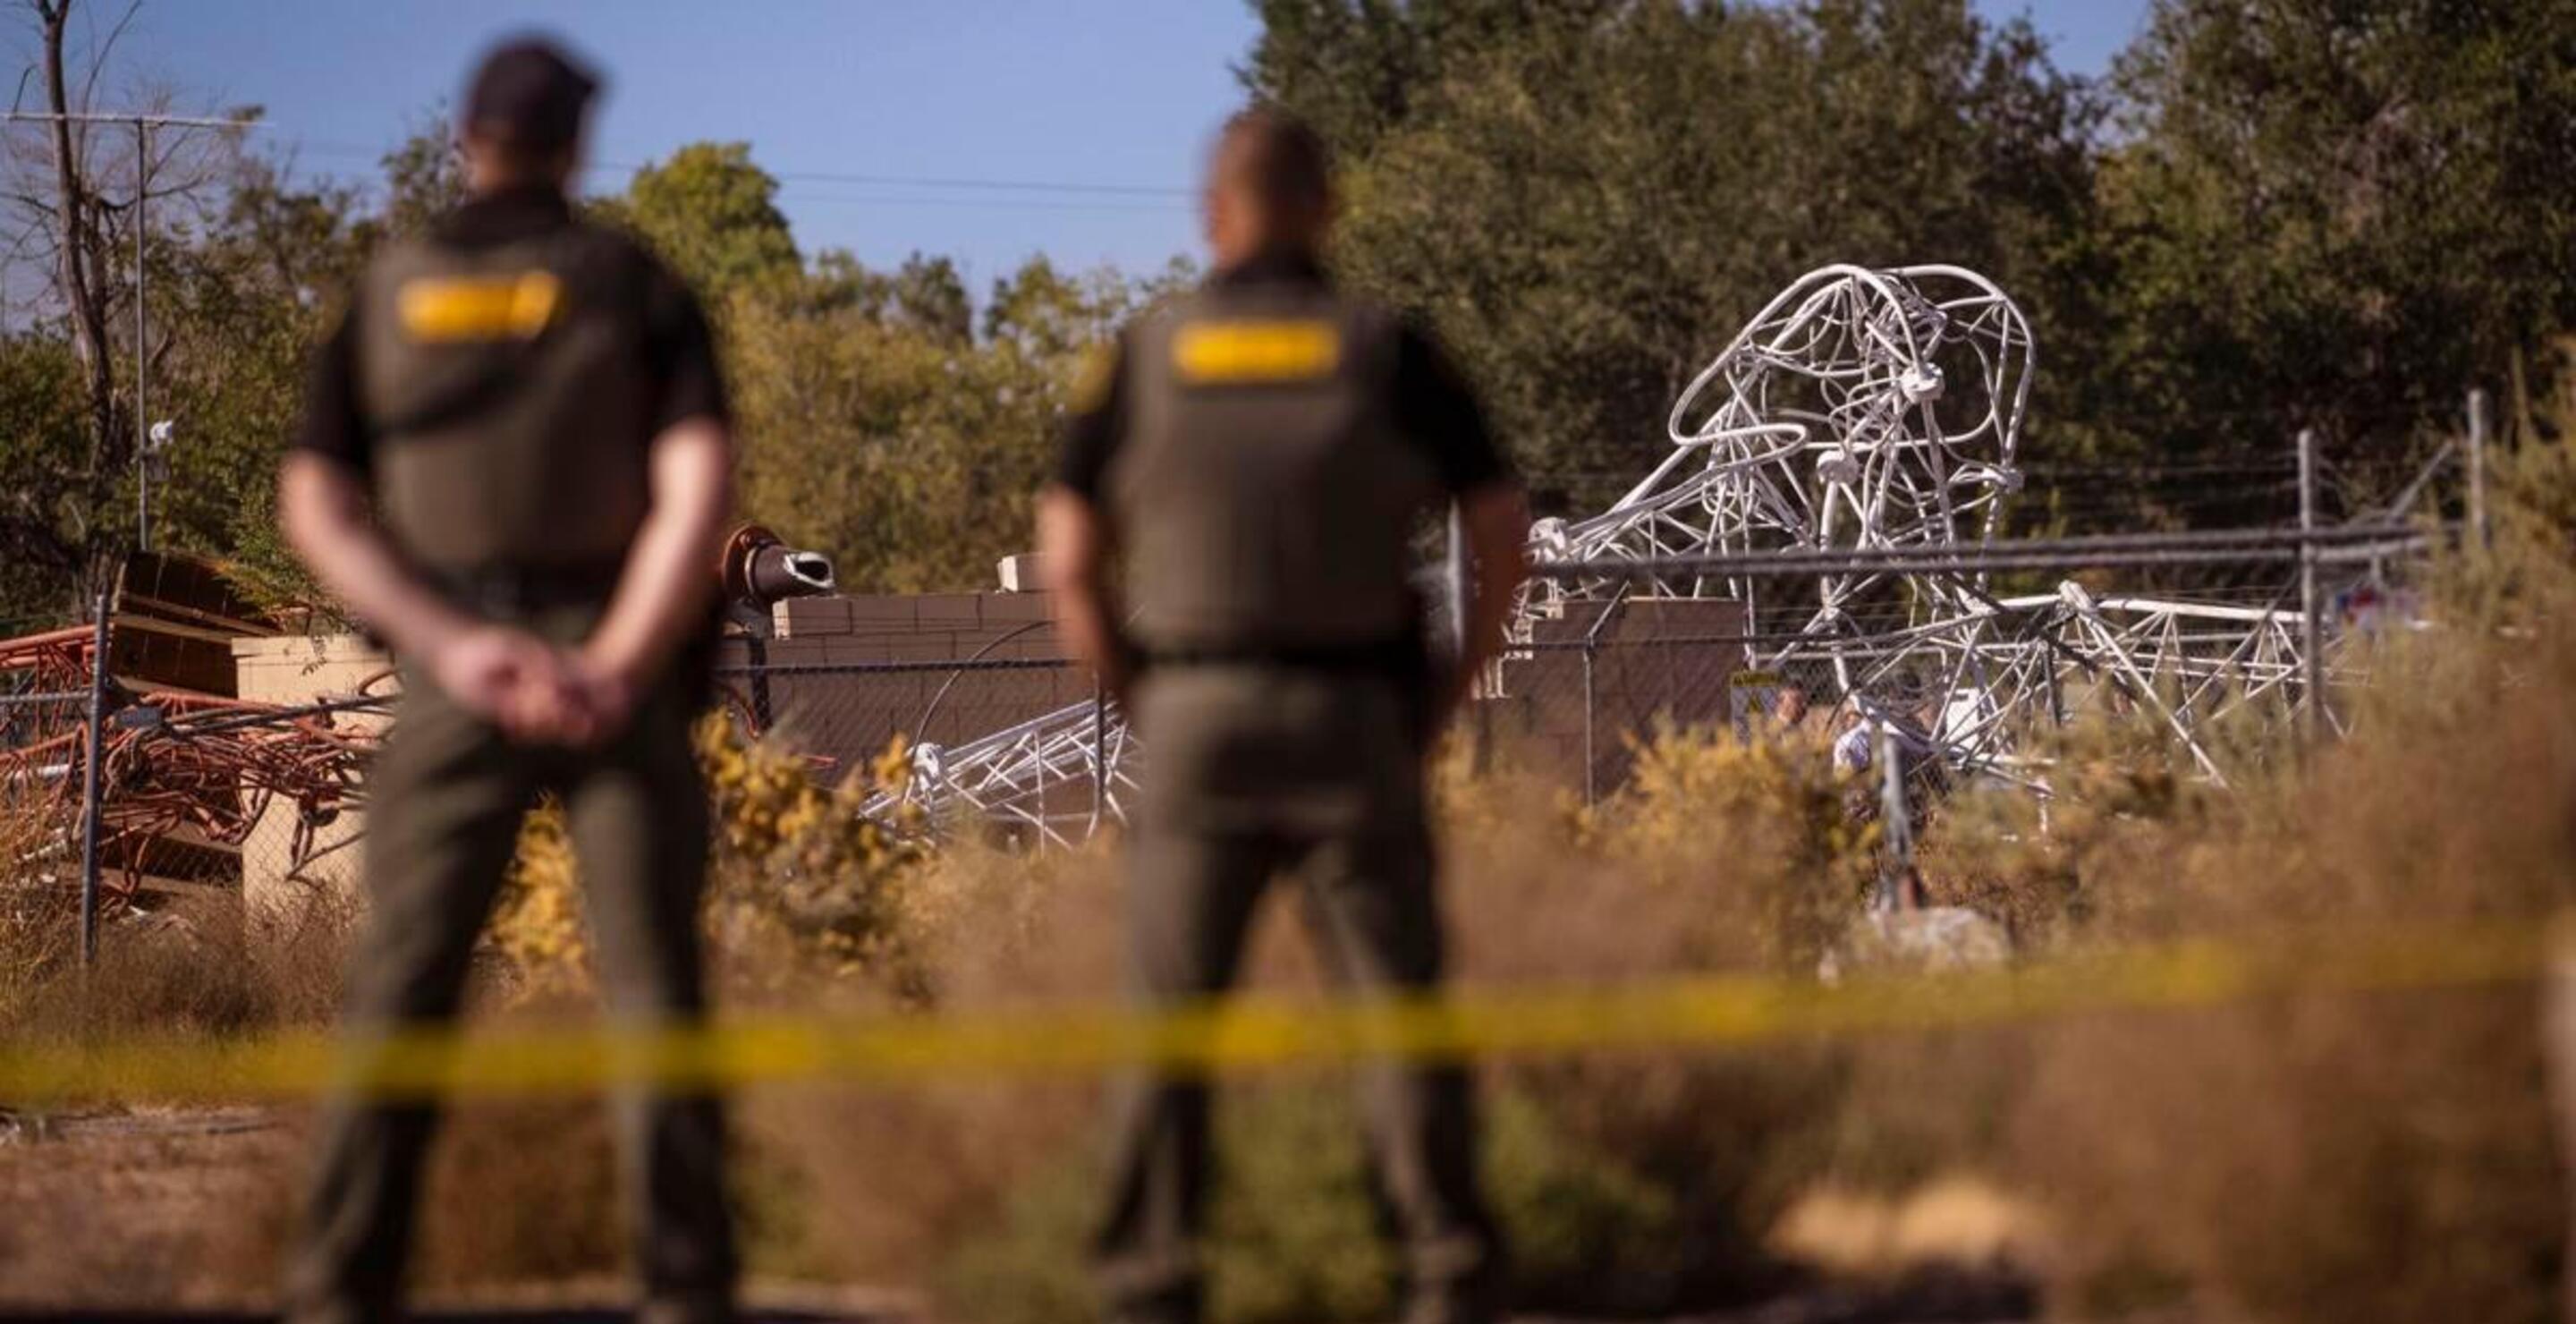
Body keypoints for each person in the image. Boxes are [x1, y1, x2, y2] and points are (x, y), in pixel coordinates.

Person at [1038, 106, 1531, 1324]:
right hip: (1356, 716)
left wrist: (1143, 697)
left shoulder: (1142, 357)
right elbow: (1503, 530)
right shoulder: (1391, 351)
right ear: (1326, 209)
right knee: (1396, 1011)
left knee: (1168, 1018)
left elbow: (1061, 558)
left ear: (1212, 219)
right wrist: (1449, 686)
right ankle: (1445, 1276)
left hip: (1196, 711)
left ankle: (1148, 1284)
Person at [275, 37, 737, 1324]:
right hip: (616, 675)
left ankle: (338, 1285)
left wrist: (448, 644)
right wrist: (616, 660)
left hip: (451, 671)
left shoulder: (390, 289)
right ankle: (686, 1288)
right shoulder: (632, 284)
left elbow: (315, 497)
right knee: (655, 986)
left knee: (404, 985)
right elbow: (700, 488)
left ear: (468, 138)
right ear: (577, 142)